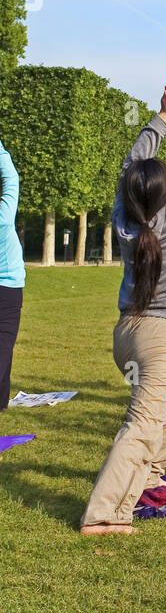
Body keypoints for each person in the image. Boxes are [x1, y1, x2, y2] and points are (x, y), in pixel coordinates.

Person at [81, 72, 166, 536]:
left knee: (160, 411)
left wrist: (159, 118)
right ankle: (102, 514)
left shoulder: (125, 218)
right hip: (162, 335)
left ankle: (150, 478)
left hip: (128, 333)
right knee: (141, 422)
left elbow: (131, 166)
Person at [0, 135, 25, 412]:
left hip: (9, 286)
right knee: (5, 341)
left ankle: (1, 400)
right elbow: (11, 179)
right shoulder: (4, 217)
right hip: (8, 288)